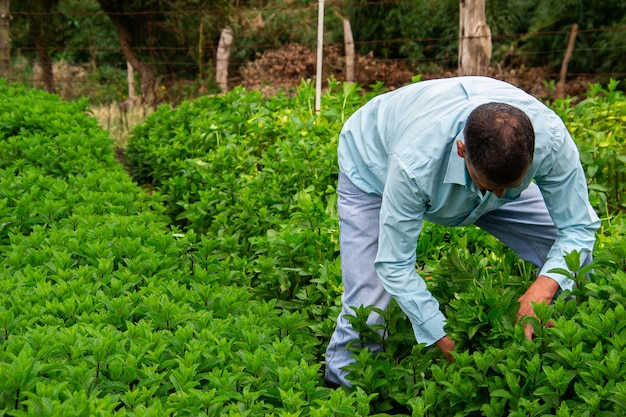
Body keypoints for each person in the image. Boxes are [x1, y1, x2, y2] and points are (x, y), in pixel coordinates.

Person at [324, 76, 600, 387]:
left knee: (573, 262)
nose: (496, 197)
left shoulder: (549, 137)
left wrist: (544, 288)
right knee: (368, 306)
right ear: (461, 150)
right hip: (372, 166)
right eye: (488, 187)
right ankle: (342, 386)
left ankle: (569, 341)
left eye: (509, 187)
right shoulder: (414, 165)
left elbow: (577, 226)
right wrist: (443, 338)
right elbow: (395, 264)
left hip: (478, 165)